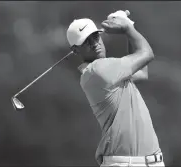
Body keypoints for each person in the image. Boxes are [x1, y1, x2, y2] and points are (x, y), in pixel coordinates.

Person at [66, 10, 165, 167]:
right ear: (76, 50)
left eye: (96, 37)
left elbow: (142, 72)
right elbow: (147, 53)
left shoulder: (107, 71)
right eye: (86, 41)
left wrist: (127, 25)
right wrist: (127, 28)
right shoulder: (98, 70)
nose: (94, 43)